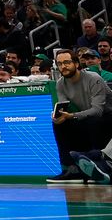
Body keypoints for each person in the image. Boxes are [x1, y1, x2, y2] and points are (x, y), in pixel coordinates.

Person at [47, 50, 112, 183]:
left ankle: (98, 164)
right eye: (59, 64)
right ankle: (71, 168)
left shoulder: (93, 78)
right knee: (59, 123)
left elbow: (98, 110)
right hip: (87, 118)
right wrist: (59, 116)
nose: (63, 67)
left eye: (66, 62)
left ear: (76, 63)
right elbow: (65, 107)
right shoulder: (60, 83)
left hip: (107, 119)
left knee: (93, 120)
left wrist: (71, 115)